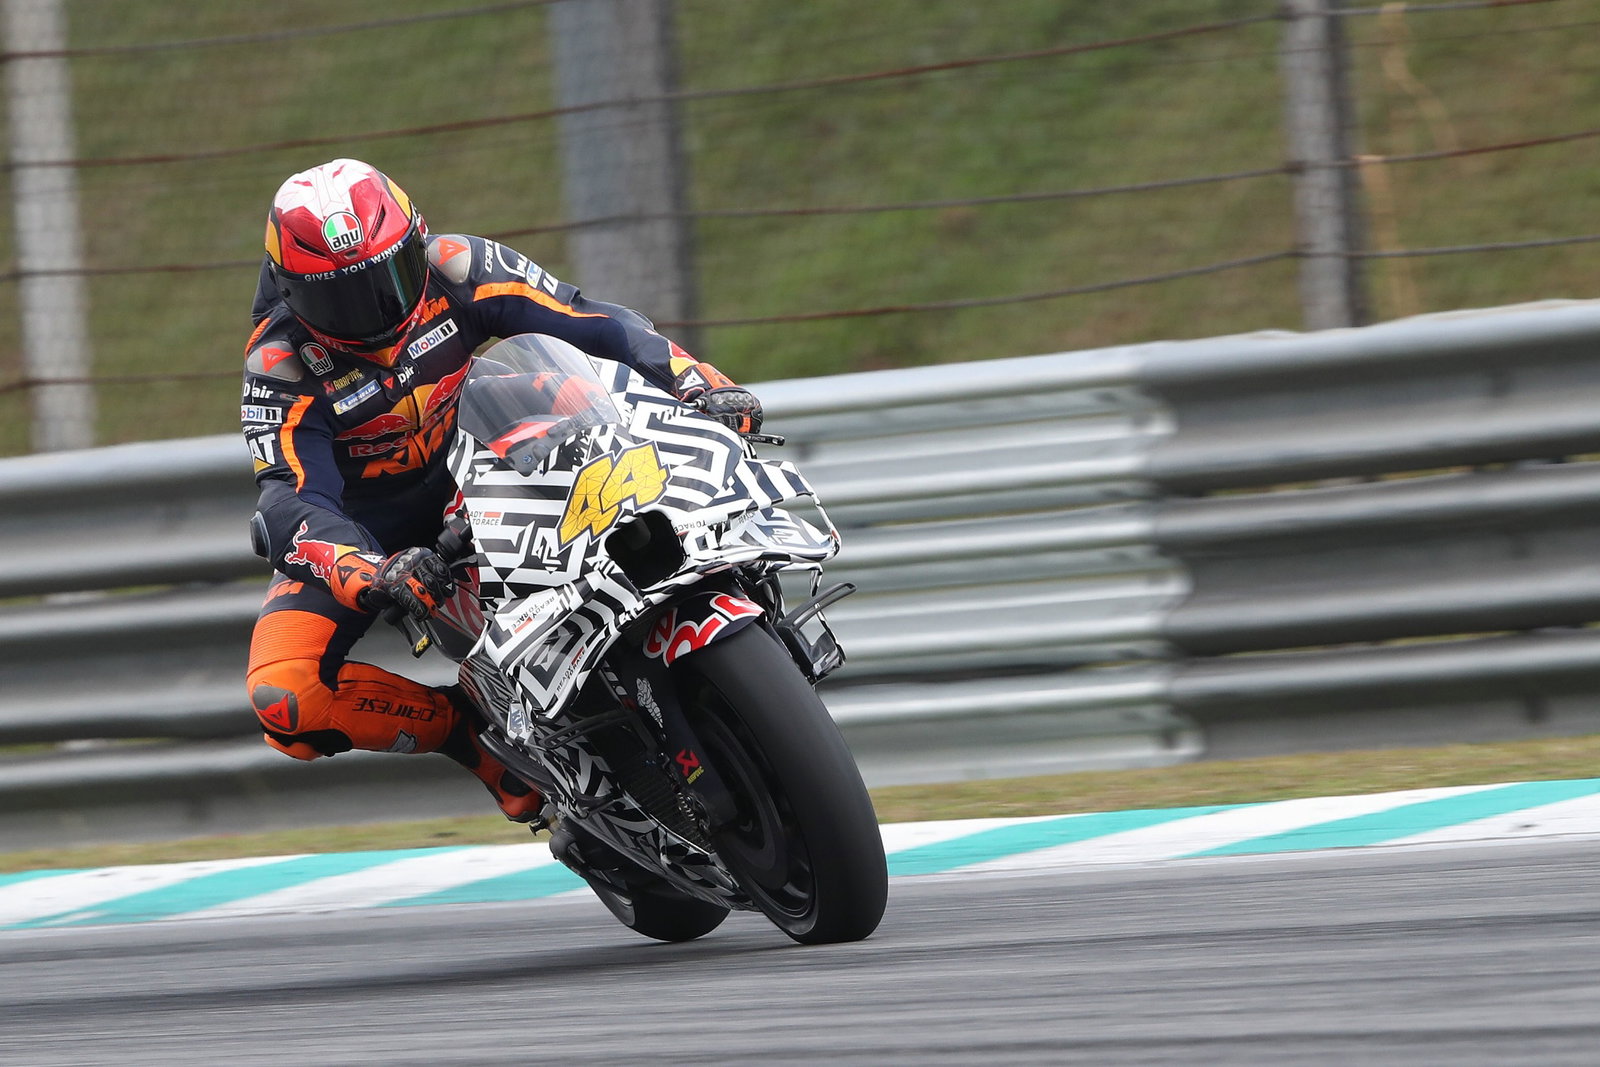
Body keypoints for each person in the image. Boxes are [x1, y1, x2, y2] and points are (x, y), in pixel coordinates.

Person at [240, 158, 762, 824]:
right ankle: (469, 731)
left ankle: (725, 557)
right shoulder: (280, 363)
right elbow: (289, 500)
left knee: (595, 394)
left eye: (388, 277)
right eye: (337, 298)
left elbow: (593, 322)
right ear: (291, 292)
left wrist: (698, 383)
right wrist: (369, 570)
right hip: (376, 535)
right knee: (285, 697)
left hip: (494, 451)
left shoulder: (458, 266)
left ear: (417, 244)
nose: (372, 311)